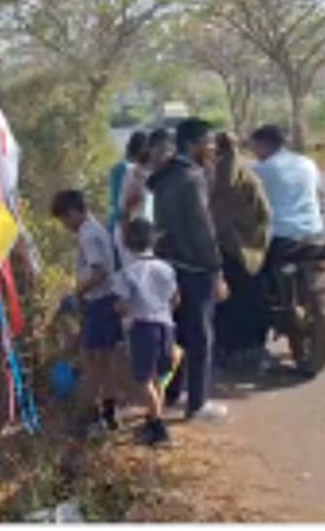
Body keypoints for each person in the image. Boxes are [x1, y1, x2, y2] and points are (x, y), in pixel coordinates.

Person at [146, 118, 229, 422]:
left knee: (176, 334)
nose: (212, 149)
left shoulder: (165, 176)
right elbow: (202, 230)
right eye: (208, 143)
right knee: (201, 338)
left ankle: (171, 393)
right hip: (195, 268)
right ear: (193, 145)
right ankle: (197, 404)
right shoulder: (192, 178)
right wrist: (216, 271)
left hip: (169, 265)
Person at [248, 124, 325, 350]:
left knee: (253, 282)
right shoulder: (307, 163)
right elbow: (319, 194)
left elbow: (248, 202)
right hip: (315, 235)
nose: (253, 151)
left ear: (263, 144)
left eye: (254, 146)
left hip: (280, 238)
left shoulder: (260, 170)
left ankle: (254, 343)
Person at [50, 189, 124, 434]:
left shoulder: (88, 234)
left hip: (100, 302)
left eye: (64, 220)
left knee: (92, 360)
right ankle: (109, 413)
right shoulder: (97, 229)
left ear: (73, 213)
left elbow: (98, 271)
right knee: (105, 360)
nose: (66, 226)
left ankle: (91, 416)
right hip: (107, 301)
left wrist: (77, 292)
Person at [209, 132, 273, 369]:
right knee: (252, 302)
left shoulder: (206, 177)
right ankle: (252, 352)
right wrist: (256, 244)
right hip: (246, 252)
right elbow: (264, 216)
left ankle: (224, 352)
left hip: (216, 251)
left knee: (222, 305)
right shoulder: (249, 178)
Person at [113, 217, 178, 447]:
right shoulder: (166, 269)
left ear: (127, 243)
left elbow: (123, 305)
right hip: (166, 325)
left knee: (143, 379)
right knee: (158, 377)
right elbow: (176, 299)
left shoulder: (127, 273)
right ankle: (152, 420)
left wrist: (119, 310)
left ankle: (159, 427)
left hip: (143, 327)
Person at [113, 131, 155, 267]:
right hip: (134, 234)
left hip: (138, 232)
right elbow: (126, 207)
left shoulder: (131, 172)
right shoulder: (132, 173)